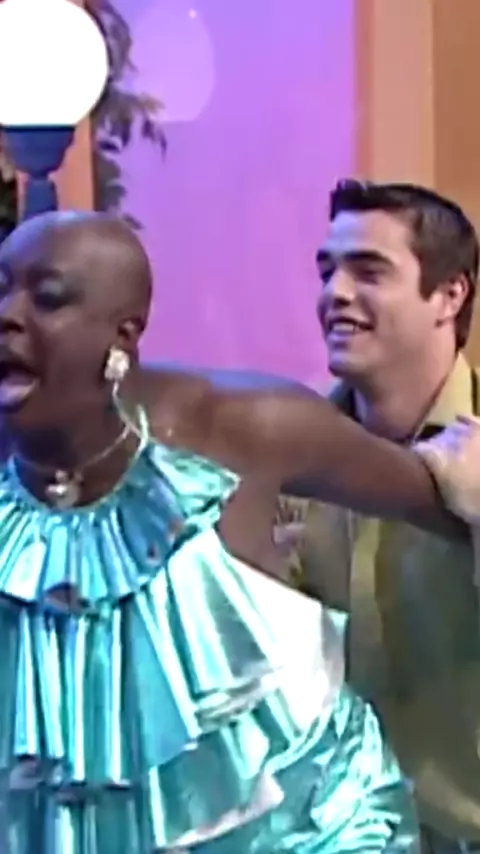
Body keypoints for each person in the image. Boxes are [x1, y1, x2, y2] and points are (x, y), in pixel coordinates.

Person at [0, 210, 474, 854]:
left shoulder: (241, 429)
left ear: (124, 335)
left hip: (305, 825)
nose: (9, 314)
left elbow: (446, 492)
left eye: (49, 297)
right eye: (1, 288)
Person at [279, 180, 480, 853]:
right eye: (327, 271)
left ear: (449, 295)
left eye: (368, 271)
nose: (335, 293)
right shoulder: (290, 454)